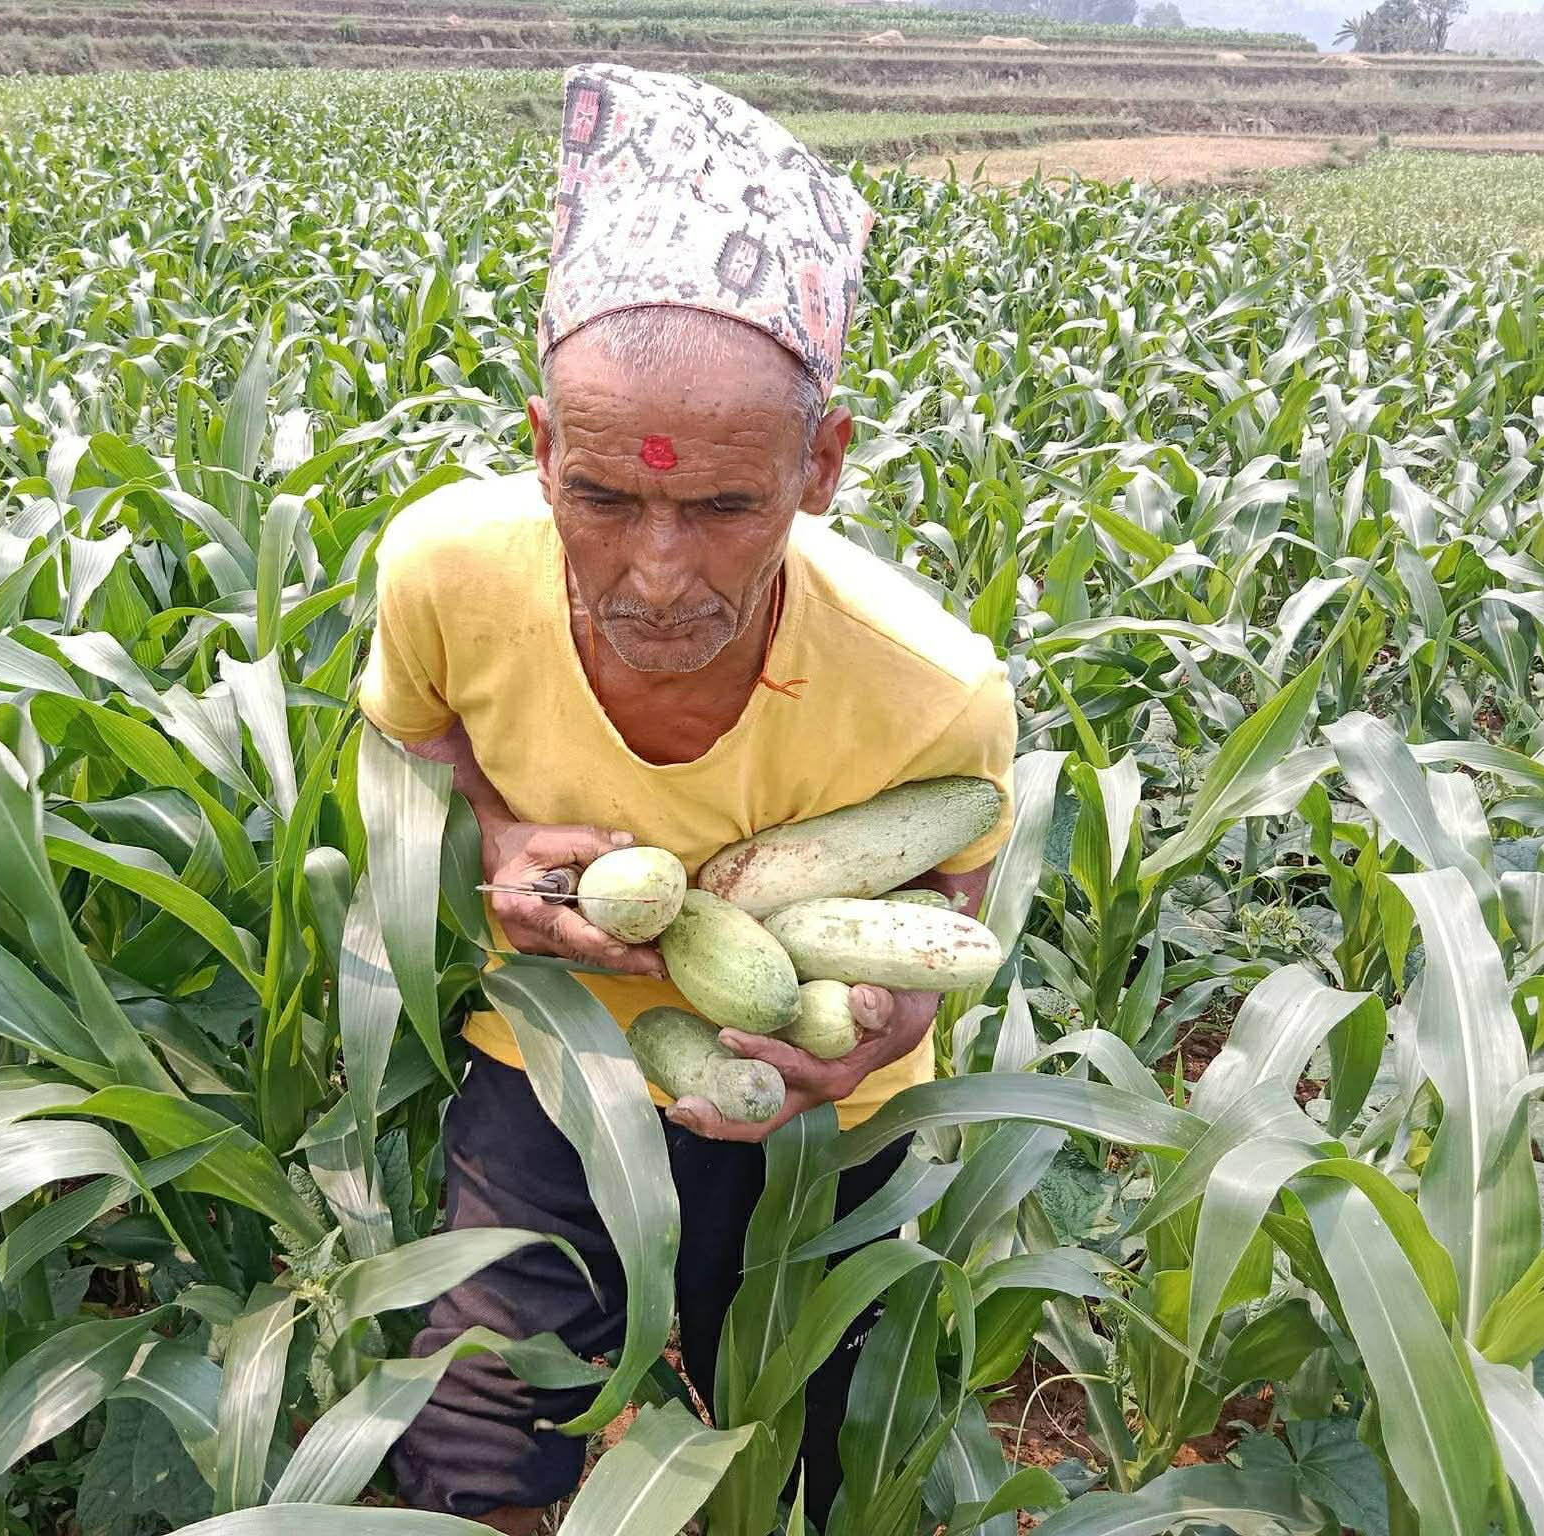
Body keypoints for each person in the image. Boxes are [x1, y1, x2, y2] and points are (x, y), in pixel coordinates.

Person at [357, 63, 1016, 1534]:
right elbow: (412, 748)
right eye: (601, 496)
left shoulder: (933, 687)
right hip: (557, 1059)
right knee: (466, 1453)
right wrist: (491, 838)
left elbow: (951, 893)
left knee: (830, 1463)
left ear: (821, 464)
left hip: (810, 1115)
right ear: (540, 449)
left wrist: (887, 1022)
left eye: (725, 509)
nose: (658, 576)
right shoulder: (443, 575)